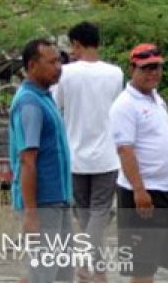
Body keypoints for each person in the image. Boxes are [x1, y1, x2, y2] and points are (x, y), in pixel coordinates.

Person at [55, 22, 125, 283]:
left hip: (74, 155)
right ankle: (97, 269)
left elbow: (56, 106)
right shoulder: (115, 73)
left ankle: (89, 268)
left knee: (84, 212)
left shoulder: (65, 74)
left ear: (76, 44)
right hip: (107, 155)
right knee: (99, 212)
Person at [109, 44, 168, 283]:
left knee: (158, 255)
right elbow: (125, 150)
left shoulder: (156, 99)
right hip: (142, 192)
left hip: (165, 189)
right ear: (133, 69)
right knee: (142, 263)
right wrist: (140, 191)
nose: (153, 73)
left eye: (157, 67)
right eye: (147, 68)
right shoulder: (124, 105)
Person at [9, 38, 74, 283]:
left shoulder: (45, 97)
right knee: (43, 273)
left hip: (58, 199)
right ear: (33, 65)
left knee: (62, 272)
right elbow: (27, 161)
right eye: (52, 62)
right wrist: (31, 212)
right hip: (43, 203)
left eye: (59, 61)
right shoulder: (29, 104)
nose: (58, 67)